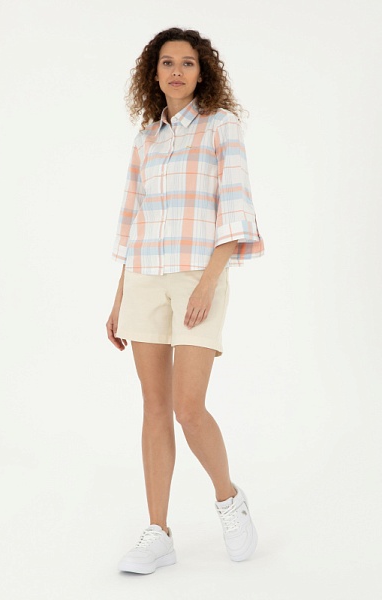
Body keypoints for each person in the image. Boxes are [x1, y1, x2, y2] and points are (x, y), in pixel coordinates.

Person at [106, 27, 265, 575]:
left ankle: (229, 499)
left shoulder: (222, 126)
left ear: (203, 72)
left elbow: (235, 209)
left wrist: (207, 283)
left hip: (199, 274)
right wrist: (119, 298)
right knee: (154, 408)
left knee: (188, 408)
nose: (177, 71)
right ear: (153, 74)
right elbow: (133, 220)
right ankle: (159, 532)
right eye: (168, 63)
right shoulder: (146, 138)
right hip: (143, 278)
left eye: (188, 63)